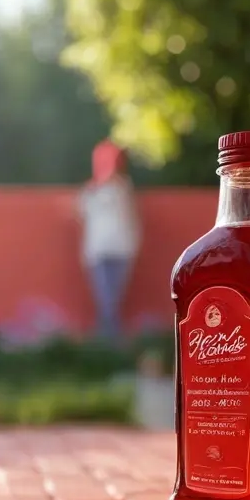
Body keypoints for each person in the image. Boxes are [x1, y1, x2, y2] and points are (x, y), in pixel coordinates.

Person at [76, 139, 141, 345]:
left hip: (122, 250)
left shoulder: (124, 189)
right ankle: (111, 342)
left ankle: (106, 342)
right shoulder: (91, 191)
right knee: (106, 299)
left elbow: (131, 218)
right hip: (98, 251)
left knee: (112, 299)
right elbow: (80, 212)